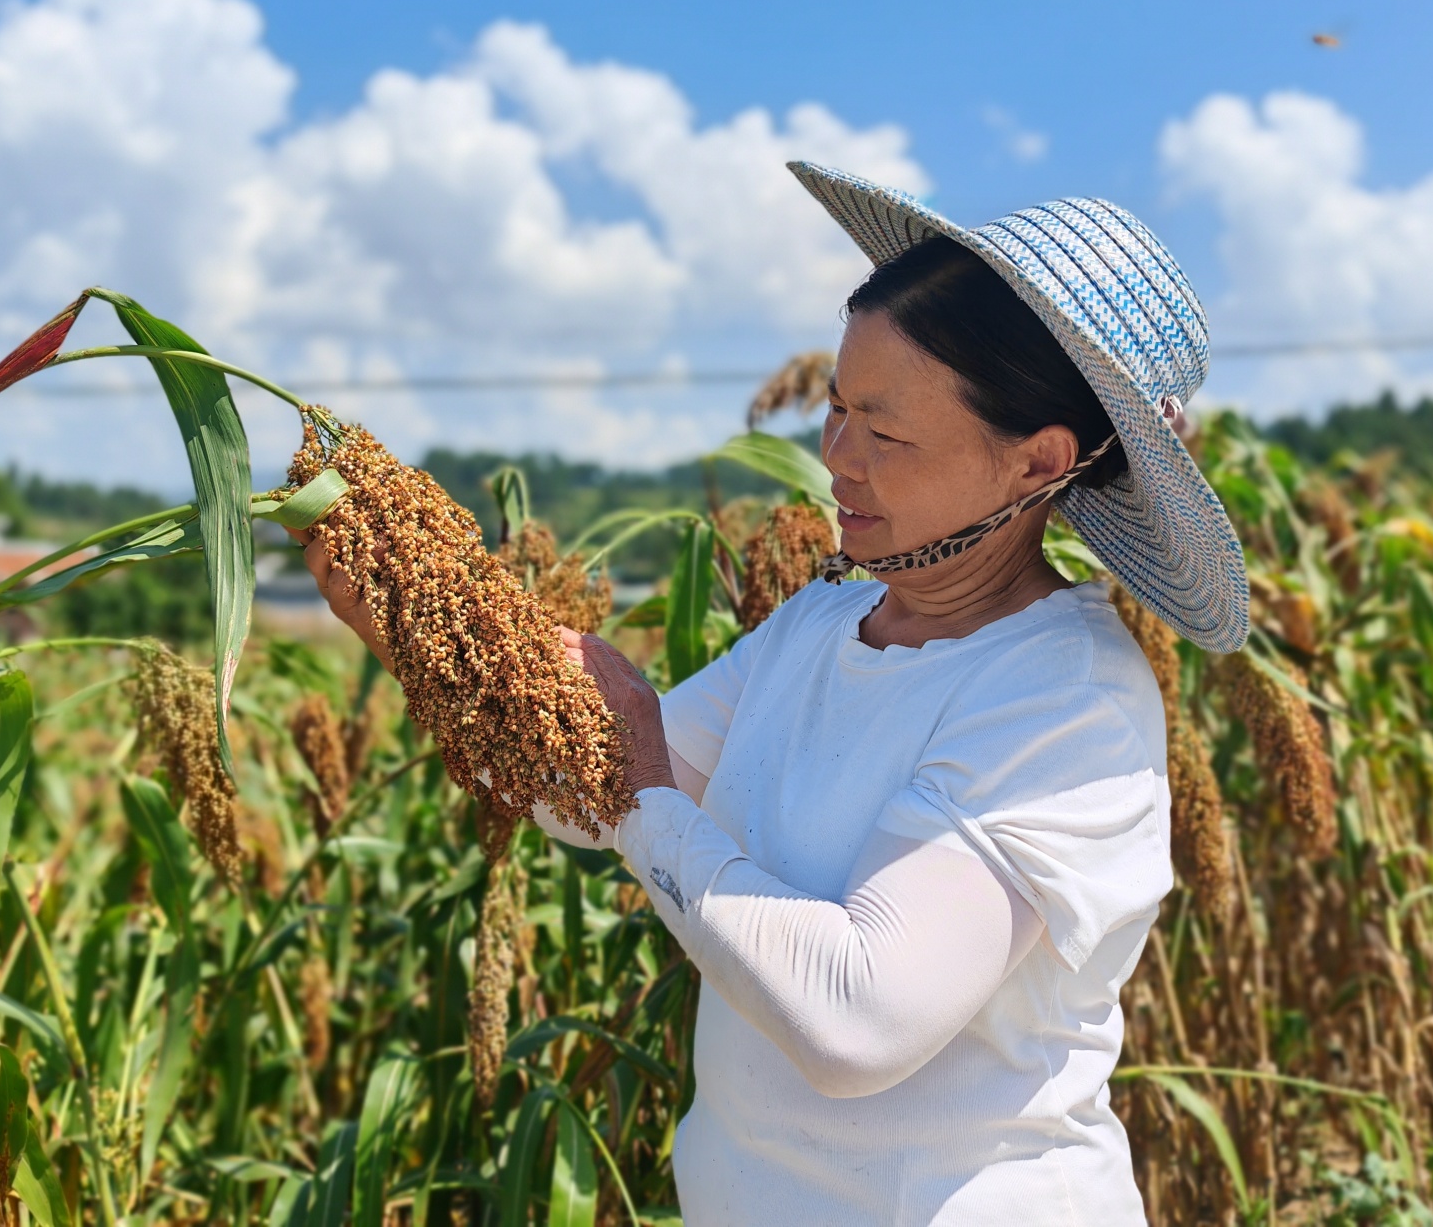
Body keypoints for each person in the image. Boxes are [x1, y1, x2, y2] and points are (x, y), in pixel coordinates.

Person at [303, 163, 1250, 1226]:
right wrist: (418, 629)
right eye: (837, 408)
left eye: (886, 433)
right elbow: (588, 803)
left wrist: (640, 785)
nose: (835, 457)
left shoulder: (1063, 697)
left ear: (1037, 463)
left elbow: (855, 1022)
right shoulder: (822, 622)